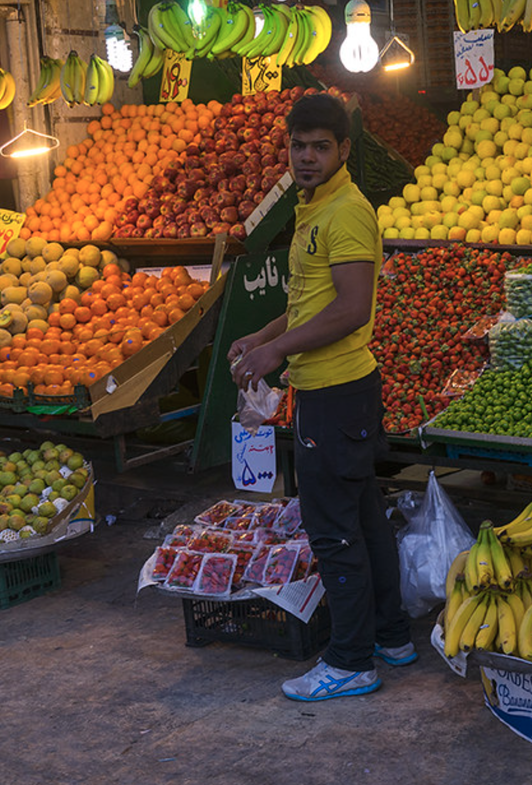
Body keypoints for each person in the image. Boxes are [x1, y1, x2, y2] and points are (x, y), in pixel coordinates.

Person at [228, 93, 413, 701]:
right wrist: (265, 334)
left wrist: (278, 354)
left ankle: (351, 659)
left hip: (335, 393)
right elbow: (312, 302)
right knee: (363, 520)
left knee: (334, 532)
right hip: (333, 393)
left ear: (344, 151)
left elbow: (352, 308)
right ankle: (391, 636)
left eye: (319, 147)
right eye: (297, 145)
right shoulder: (315, 205)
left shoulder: (348, 212)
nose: (306, 157)